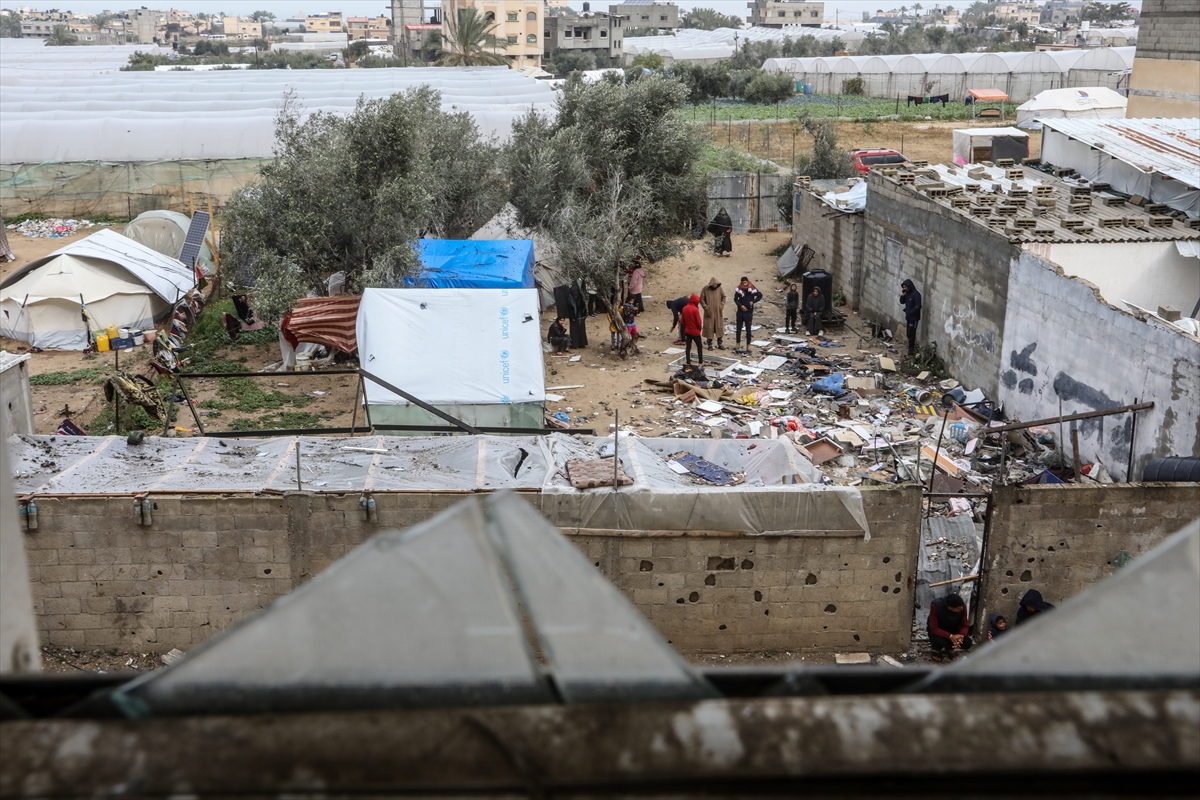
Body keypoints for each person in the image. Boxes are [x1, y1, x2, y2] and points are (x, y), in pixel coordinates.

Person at [927, 593, 973, 662]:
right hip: (939, 630)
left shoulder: (963, 607)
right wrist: (950, 636)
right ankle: (936, 648)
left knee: (967, 643)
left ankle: (950, 647)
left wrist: (961, 636)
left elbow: (965, 625)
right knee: (939, 642)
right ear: (950, 608)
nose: (961, 609)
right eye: (958, 609)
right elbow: (934, 628)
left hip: (953, 629)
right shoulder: (936, 605)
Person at [732, 276, 763, 348]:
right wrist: (740, 306)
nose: (744, 284)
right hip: (740, 311)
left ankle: (748, 345)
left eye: (745, 282)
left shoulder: (751, 288)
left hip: (748, 312)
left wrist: (753, 301)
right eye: (743, 283)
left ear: (747, 282)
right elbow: (735, 299)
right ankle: (737, 344)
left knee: (748, 329)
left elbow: (760, 295)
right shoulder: (739, 289)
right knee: (738, 329)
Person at [700, 277, 726, 350]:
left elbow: (724, 296)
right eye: (714, 285)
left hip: (718, 312)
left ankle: (720, 344)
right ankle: (709, 345)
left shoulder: (719, 288)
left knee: (719, 328)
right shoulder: (705, 289)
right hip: (709, 312)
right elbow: (701, 299)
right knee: (709, 328)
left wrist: (721, 305)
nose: (715, 286)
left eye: (716, 285)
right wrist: (706, 307)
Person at [900, 278, 922, 357]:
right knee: (908, 334)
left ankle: (911, 350)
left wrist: (911, 312)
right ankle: (910, 348)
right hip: (908, 317)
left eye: (905, 287)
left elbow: (918, 306)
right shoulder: (907, 294)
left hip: (914, 318)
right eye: (903, 287)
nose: (904, 288)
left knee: (911, 334)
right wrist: (902, 296)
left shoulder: (916, 295)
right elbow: (902, 302)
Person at [681, 293, 704, 367]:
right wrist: (699, 328)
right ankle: (700, 362)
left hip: (688, 331)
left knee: (688, 347)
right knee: (699, 346)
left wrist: (686, 327)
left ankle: (688, 362)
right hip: (695, 332)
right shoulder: (695, 309)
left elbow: (682, 321)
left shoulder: (684, 308)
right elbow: (698, 322)